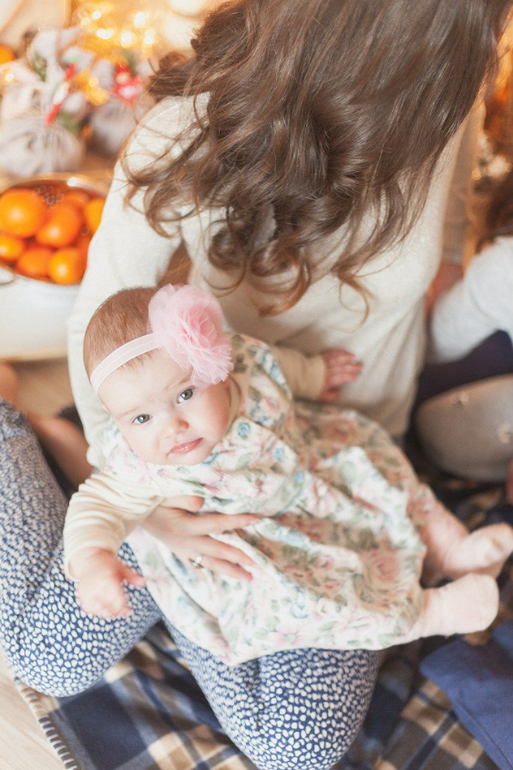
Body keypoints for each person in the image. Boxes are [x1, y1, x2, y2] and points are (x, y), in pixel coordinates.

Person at [2, 2, 513, 768]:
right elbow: (95, 318)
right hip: (188, 465)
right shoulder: (187, 128)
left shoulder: (443, 92)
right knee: (47, 657)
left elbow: (442, 242)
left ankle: (170, 578)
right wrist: (155, 515)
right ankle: (15, 423)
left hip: (340, 477)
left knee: (299, 751)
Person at [64, 283, 511, 663]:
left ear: (216, 365)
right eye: (141, 419)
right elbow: (96, 504)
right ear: (117, 420)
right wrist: (93, 560)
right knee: (306, 602)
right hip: (260, 543)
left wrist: (314, 374)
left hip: (310, 464)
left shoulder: (243, 360)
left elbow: (278, 367)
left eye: (184, 394)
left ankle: (451, 547)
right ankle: (428, 613)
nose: (171, 427)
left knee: (382, 469)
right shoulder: (139, 465)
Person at [416, 166, 513, 493]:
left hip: (455, 424)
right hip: (455, 418)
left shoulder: (503, 265)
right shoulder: (503, 267)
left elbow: (436, 341)